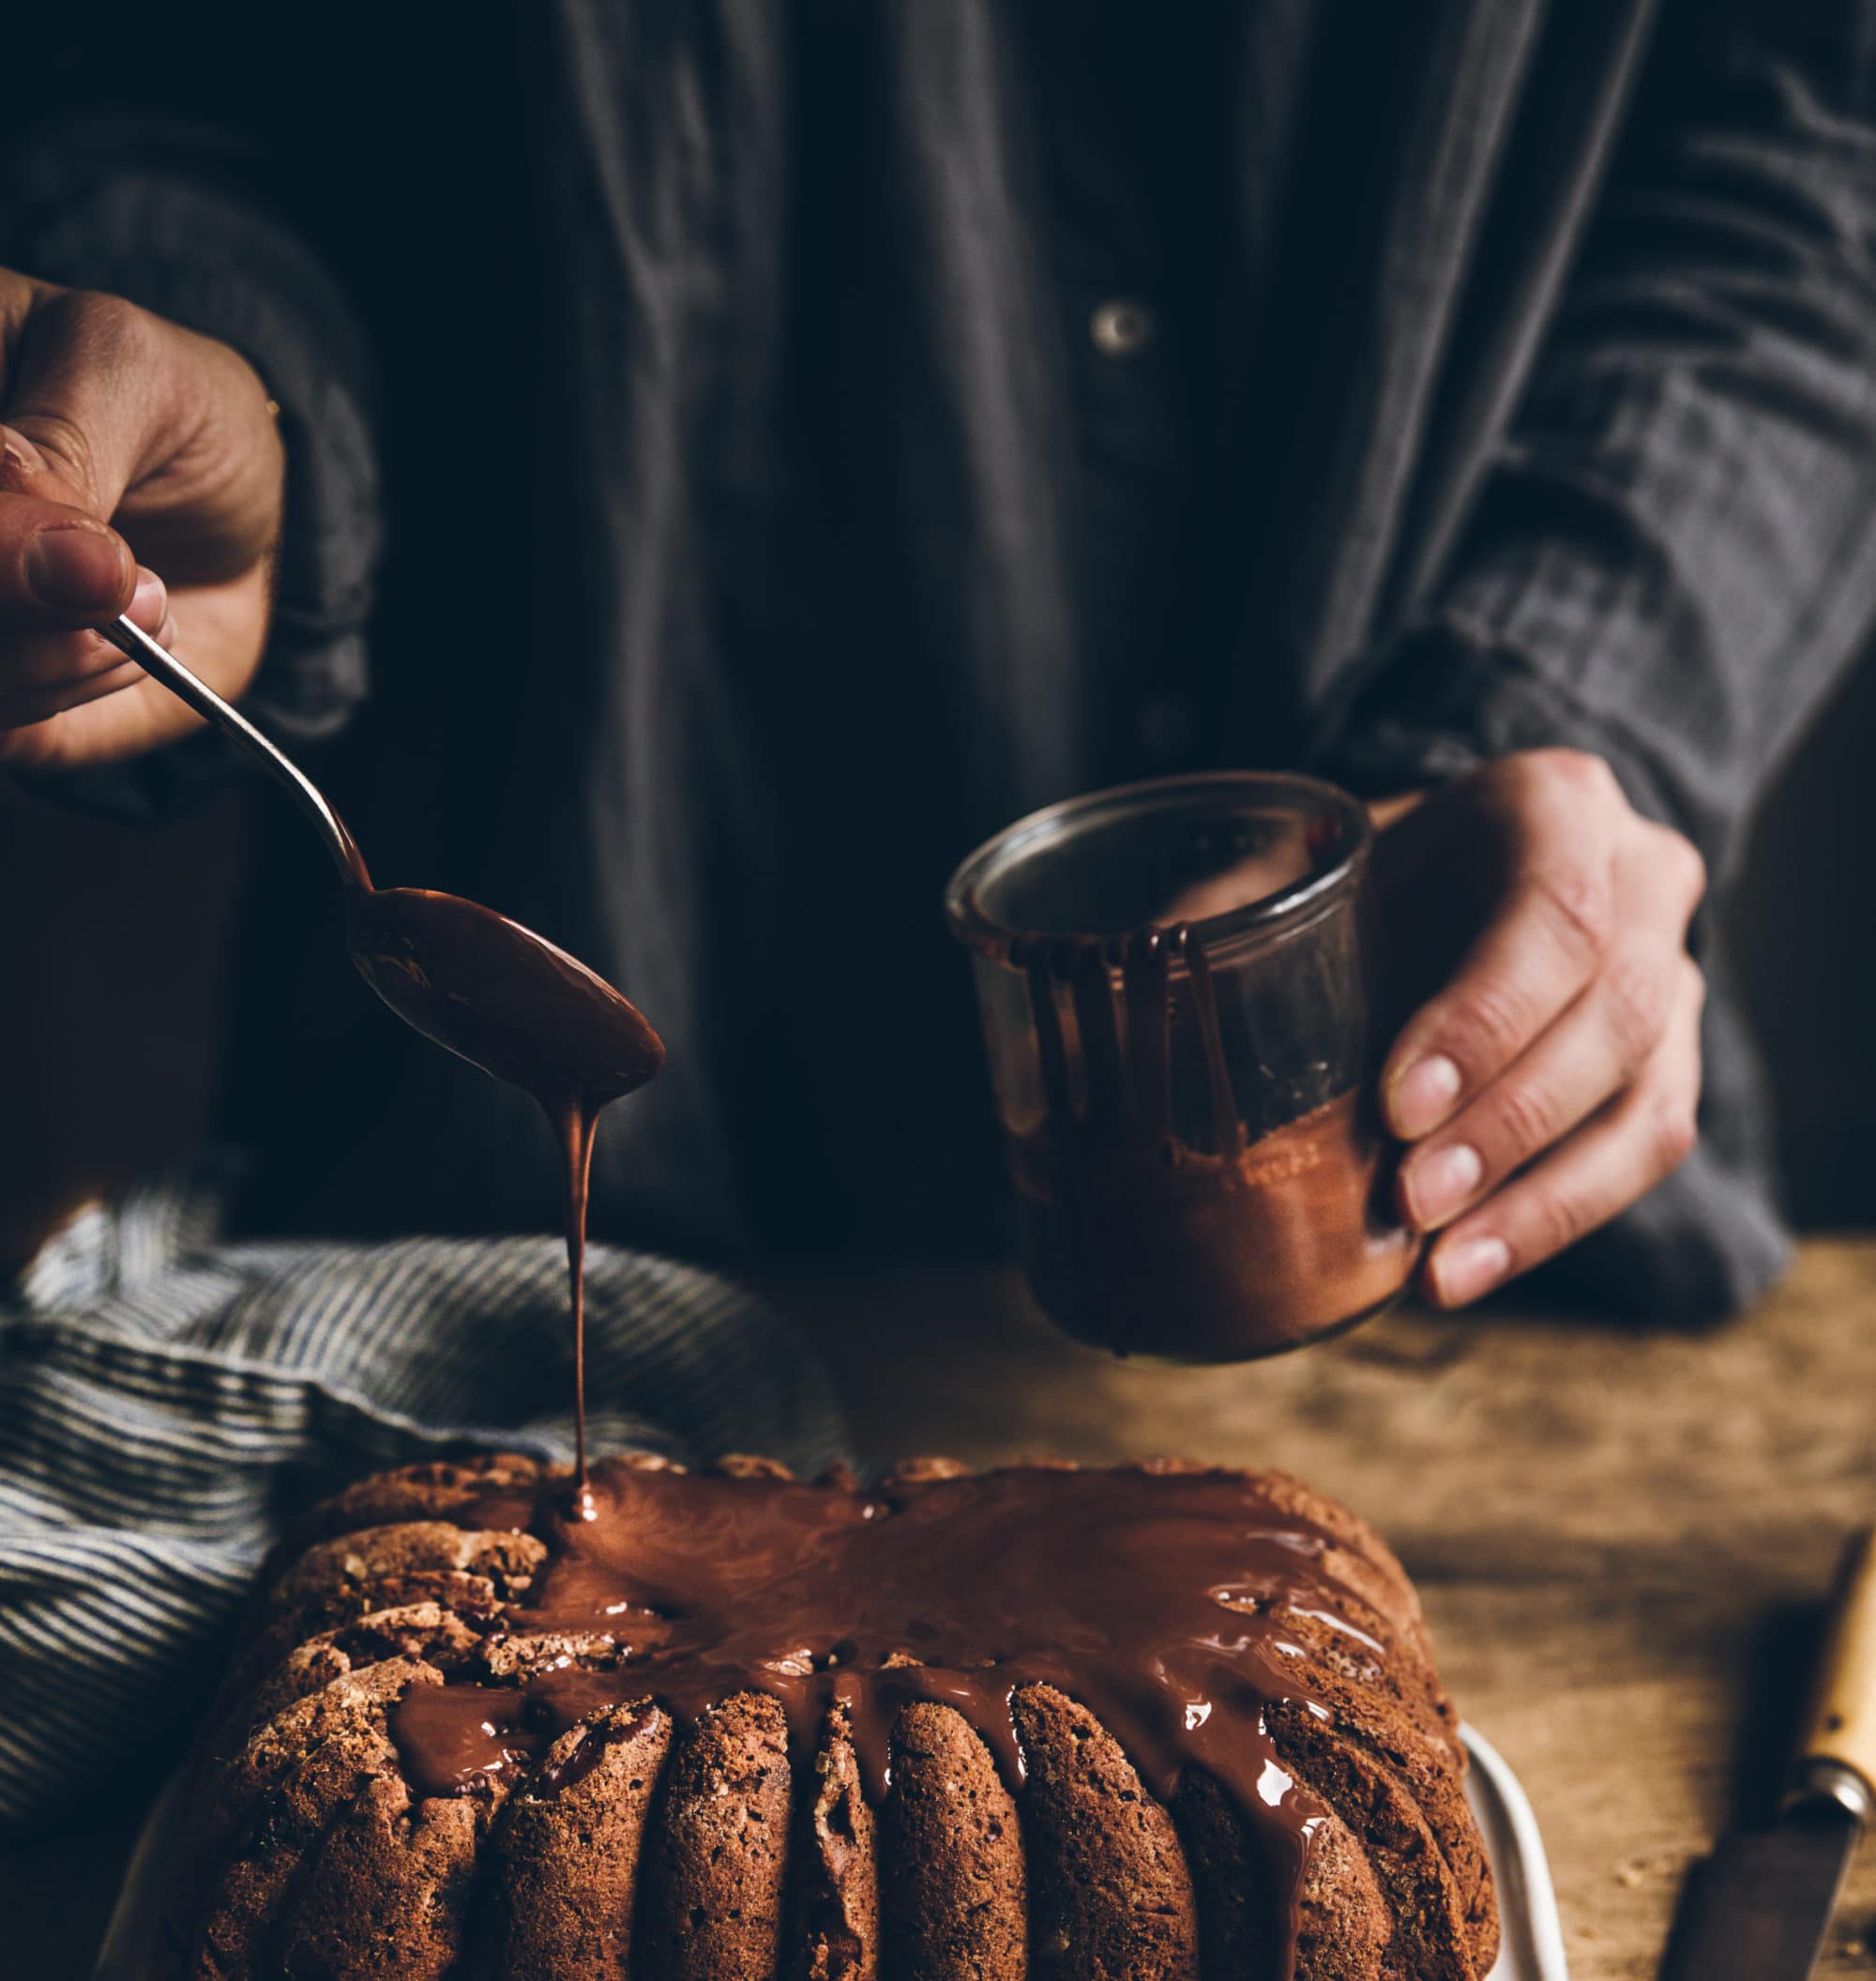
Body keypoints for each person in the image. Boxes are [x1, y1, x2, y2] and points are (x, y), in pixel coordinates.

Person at [2, 0, 1872, 1322]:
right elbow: (178, 73)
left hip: (1445, 1295)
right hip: (507, 1255)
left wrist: (1559, 703)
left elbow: (1805, 141)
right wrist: (232, 415)